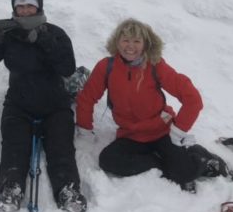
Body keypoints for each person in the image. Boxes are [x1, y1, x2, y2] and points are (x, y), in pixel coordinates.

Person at [0, 0, 87, 212]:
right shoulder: (7, 34)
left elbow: (67, 68)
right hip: (19, 102)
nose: (25, 11)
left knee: (61, 146)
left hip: (55, 103)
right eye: (20, 6)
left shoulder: (55, 32)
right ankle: (11, 187)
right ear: (14, 9)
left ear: (39, 7)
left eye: (30, 6)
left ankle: (68, 189)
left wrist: (45, 42)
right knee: (14, 145)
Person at [76, 17, 220, 190]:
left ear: (146, 44)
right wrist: (84, 130)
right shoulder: (107, 67)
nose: (130, 46)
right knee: (108, 161)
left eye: (137, 41)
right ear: (117, 42)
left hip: (162, 131)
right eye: (125, 40)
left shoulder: (155, 66)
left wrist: (178, 131)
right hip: (131, 135)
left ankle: (201, 157)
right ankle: (159, 162)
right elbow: (87, 97)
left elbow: (193, 99)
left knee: (185, 173)